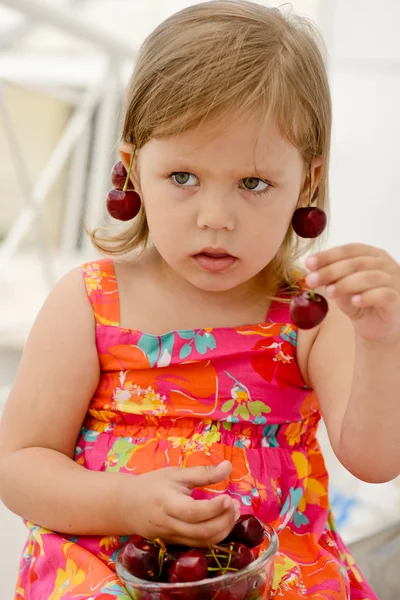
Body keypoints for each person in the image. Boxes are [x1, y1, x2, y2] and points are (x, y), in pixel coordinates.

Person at [0, 1, 399, 598]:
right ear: (133, 170)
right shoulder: (91, 302)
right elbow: (19, 465)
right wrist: (125, 502)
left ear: (308, 183)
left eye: (253, 183)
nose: (217, 219)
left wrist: (382, 341)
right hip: (110, 566)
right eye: (183, 178)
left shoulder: (309, 316)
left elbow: (375, 461)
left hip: (273, 572)